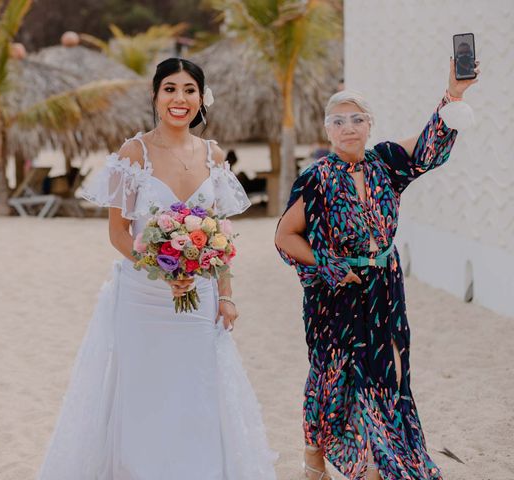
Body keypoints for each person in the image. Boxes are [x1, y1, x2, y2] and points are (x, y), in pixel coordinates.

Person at [38, 58, 276, 479]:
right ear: (155, 96)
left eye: (189, 90)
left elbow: (221, 233)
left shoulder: (214, 154)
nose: (179, 99)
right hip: (143, 297)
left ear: (201, 99)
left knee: (196, 390)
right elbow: (118, 232)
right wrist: (163, 267)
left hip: (199, 297)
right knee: (144, 392)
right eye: (170, 89)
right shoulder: (135, 153)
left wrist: (226, 294)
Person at [275, 57, 479, 480]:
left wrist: (454, 94)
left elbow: (428, 147)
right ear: (327, 129)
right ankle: (315, 453)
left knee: (390, 370)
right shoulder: (316, 178)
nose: (349, 127)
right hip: (335, 292)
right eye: (339, 120)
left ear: (370, 124)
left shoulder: (385, 162)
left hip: (384, 286)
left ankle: (377, 461)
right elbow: (285, 236)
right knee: (334, 374)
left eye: (357, 119)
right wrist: (330, 265)